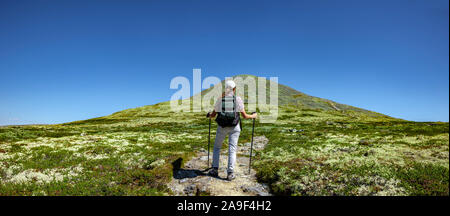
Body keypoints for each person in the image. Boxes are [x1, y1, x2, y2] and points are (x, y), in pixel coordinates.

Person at [207, 80, 257, 181]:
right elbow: (245, 116)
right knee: (232, 149)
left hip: (222, 127)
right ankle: (230, 173)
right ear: (234, 89)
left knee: (217, 147)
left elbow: (213, 115)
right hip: (235, 127)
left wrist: (209, 115)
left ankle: (215, 170)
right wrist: (254, 115)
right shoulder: (237, 99)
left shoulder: (220, 100)